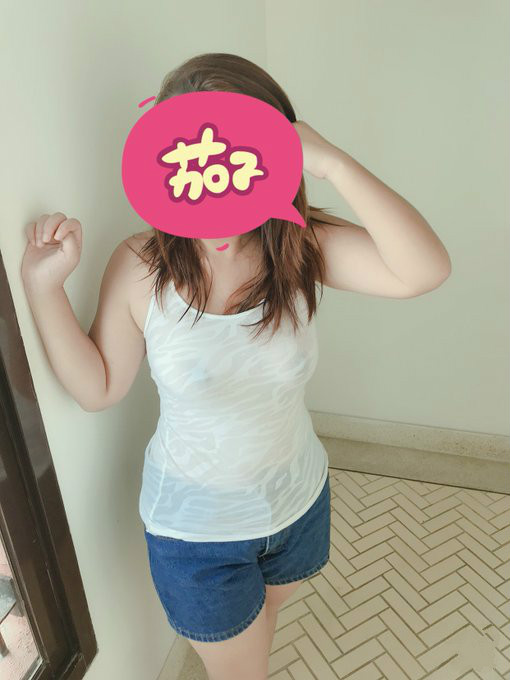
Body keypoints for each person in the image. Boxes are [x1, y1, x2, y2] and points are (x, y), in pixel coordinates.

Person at [21, 52, 451, 680]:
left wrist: (332, 161)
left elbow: (424, 271)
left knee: (259, 635)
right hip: (199, 535)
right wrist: (43, 288)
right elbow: (100, 386)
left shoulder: (298, 245)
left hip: (297, 501)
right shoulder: (142, 265)